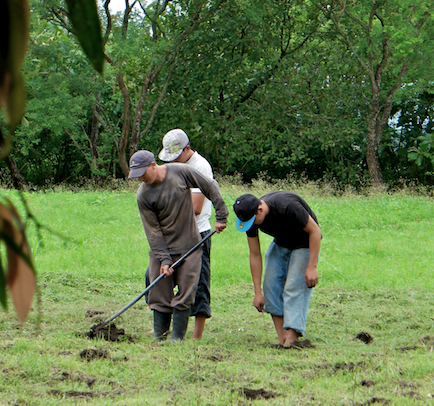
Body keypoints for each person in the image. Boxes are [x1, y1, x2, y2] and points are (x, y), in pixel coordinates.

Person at [128, 149, 228, 341]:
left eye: (142, 173)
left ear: (153, 165)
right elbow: (153, 231)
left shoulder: (180, 172)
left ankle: (177, 338)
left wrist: (221, 214)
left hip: (189, 246)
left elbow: (209, 185)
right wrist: (164, 259)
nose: (140, 179)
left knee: (186, 291)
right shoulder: (144, 195)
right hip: (162, 248)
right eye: (137, 176)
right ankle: (160, 336)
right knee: (159, 291)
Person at [233, 192, 321, 348]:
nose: (252, 225)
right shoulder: (249, 217)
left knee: (294, 286)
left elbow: (315, 231)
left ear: (260, 209)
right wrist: (258, 292)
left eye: (253, 221)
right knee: (270, 285)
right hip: (281, 242)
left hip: (305, 242)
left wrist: (312, 266)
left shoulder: (287, 206)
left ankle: (292, 338)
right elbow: (254, 254)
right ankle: (282, 339)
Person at [158, 128, 217, 339]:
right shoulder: (172, 167)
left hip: (196, 234)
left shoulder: (200, 167)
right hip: (173, 233)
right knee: (158, 277)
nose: (173, 161)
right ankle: (164, 326)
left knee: (198, 282)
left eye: (177, 156)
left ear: (188, 149)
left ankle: (196, 335)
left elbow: (196, 207)